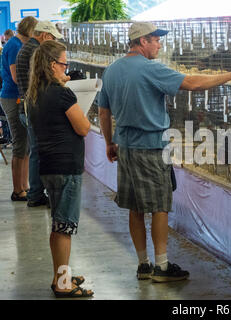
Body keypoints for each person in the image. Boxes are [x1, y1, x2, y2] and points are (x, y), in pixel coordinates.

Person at [98, 21, 231, 282]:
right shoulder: (151, 69)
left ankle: (143, 264)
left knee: (135, 208)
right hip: (151, 147)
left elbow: (104, 110)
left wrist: (108, 142)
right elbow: (192, 83)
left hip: (125, 146)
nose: (160, 44)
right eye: (156, 40)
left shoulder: (112, 70)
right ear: (142, 41)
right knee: (159, 206)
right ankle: (162, 265)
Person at [27, 40, 93, 298]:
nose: (67, 68)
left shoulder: (36, 93)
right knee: (65, 227)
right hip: (66, 167)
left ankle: (60, 275)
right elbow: (84, 127)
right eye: (64, 63)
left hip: (48, 165)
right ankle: (63, 283)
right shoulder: (62, 94)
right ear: (53, 65)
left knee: (58, 225)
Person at [16, 21, 63, 208]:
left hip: (28, 106)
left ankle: (36, 192)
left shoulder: (27, 48)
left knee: (35, 151)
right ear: (44, 35)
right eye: (51, 39)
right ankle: (36, 194)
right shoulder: (35, 52)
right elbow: (39, 81)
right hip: (32, 108)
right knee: (37, 152)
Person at [0, 16, 38, 201]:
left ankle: (25, 186)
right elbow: (16, 77)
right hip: (12, 96)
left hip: (15, 96)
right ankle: (18, 189)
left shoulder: (16, 43)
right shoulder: (15, 45)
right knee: (20, 144)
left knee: (25, 146)